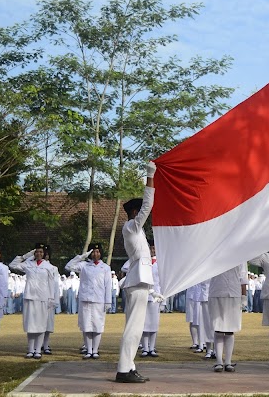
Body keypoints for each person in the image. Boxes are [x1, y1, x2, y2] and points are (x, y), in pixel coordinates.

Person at [115, 161, 163, 384]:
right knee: (134, 329)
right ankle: (124, 370)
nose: (142, 214)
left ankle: (130, 366)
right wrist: (150, 176)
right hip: (136, 282)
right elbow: (148, 205)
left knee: (136, 327)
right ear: (134, 213)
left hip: (141, 283)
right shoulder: (130, 227)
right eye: (138, 210)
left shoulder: (138, 232)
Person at [9, 243, 57, 359]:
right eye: (37, 252)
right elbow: (13, 265)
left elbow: (51, 284)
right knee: (30, 325)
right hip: (30, 297)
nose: (39, 254)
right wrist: (26, 255)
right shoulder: (28, 264)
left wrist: (51, 299)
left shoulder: (49, 267)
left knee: (41, 325)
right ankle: (30, 350)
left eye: (41, 252)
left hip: (43, 298)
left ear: (44, 253)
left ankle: (38, 350)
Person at [66, 242, 112, 359]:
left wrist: (108, 301)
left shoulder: (105, 268)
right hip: (86, 299)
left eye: (97, 252)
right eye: (93, 252)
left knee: (97, 326)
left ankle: (95, 350)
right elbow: (68, 266)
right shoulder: (84, 265)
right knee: (86, 326)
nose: (95, 254)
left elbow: (108, 285)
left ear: (101, 253)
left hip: (99, 300)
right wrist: (82, 256)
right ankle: (88, 350)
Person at [209, 262, 248, 372]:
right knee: (218, 329)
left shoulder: (240, 255)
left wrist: (244, 296)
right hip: (217, 292)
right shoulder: (214, 254)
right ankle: (219, 361)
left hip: (233, 293)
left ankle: (228, 362)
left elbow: (243, 277)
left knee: (230, 329)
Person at [140, 243, 161, 358]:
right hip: (144, 295)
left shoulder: (161, 263)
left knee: (153, 323)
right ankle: (145, 348)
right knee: (144, 323)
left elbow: (162, 281)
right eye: (151, 248)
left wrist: (163, 300)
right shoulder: (144, 262)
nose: (152, 250)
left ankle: (152, 348)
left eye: (154, 248)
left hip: (156, 296)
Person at [42, 245, 61, 354]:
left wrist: (55, 300)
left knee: (47, 324)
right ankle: (38, 344)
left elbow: (56, 285)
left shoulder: (53, 268)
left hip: (49, 298)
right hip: (39, 298)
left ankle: (45, 344)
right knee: (38, 322)